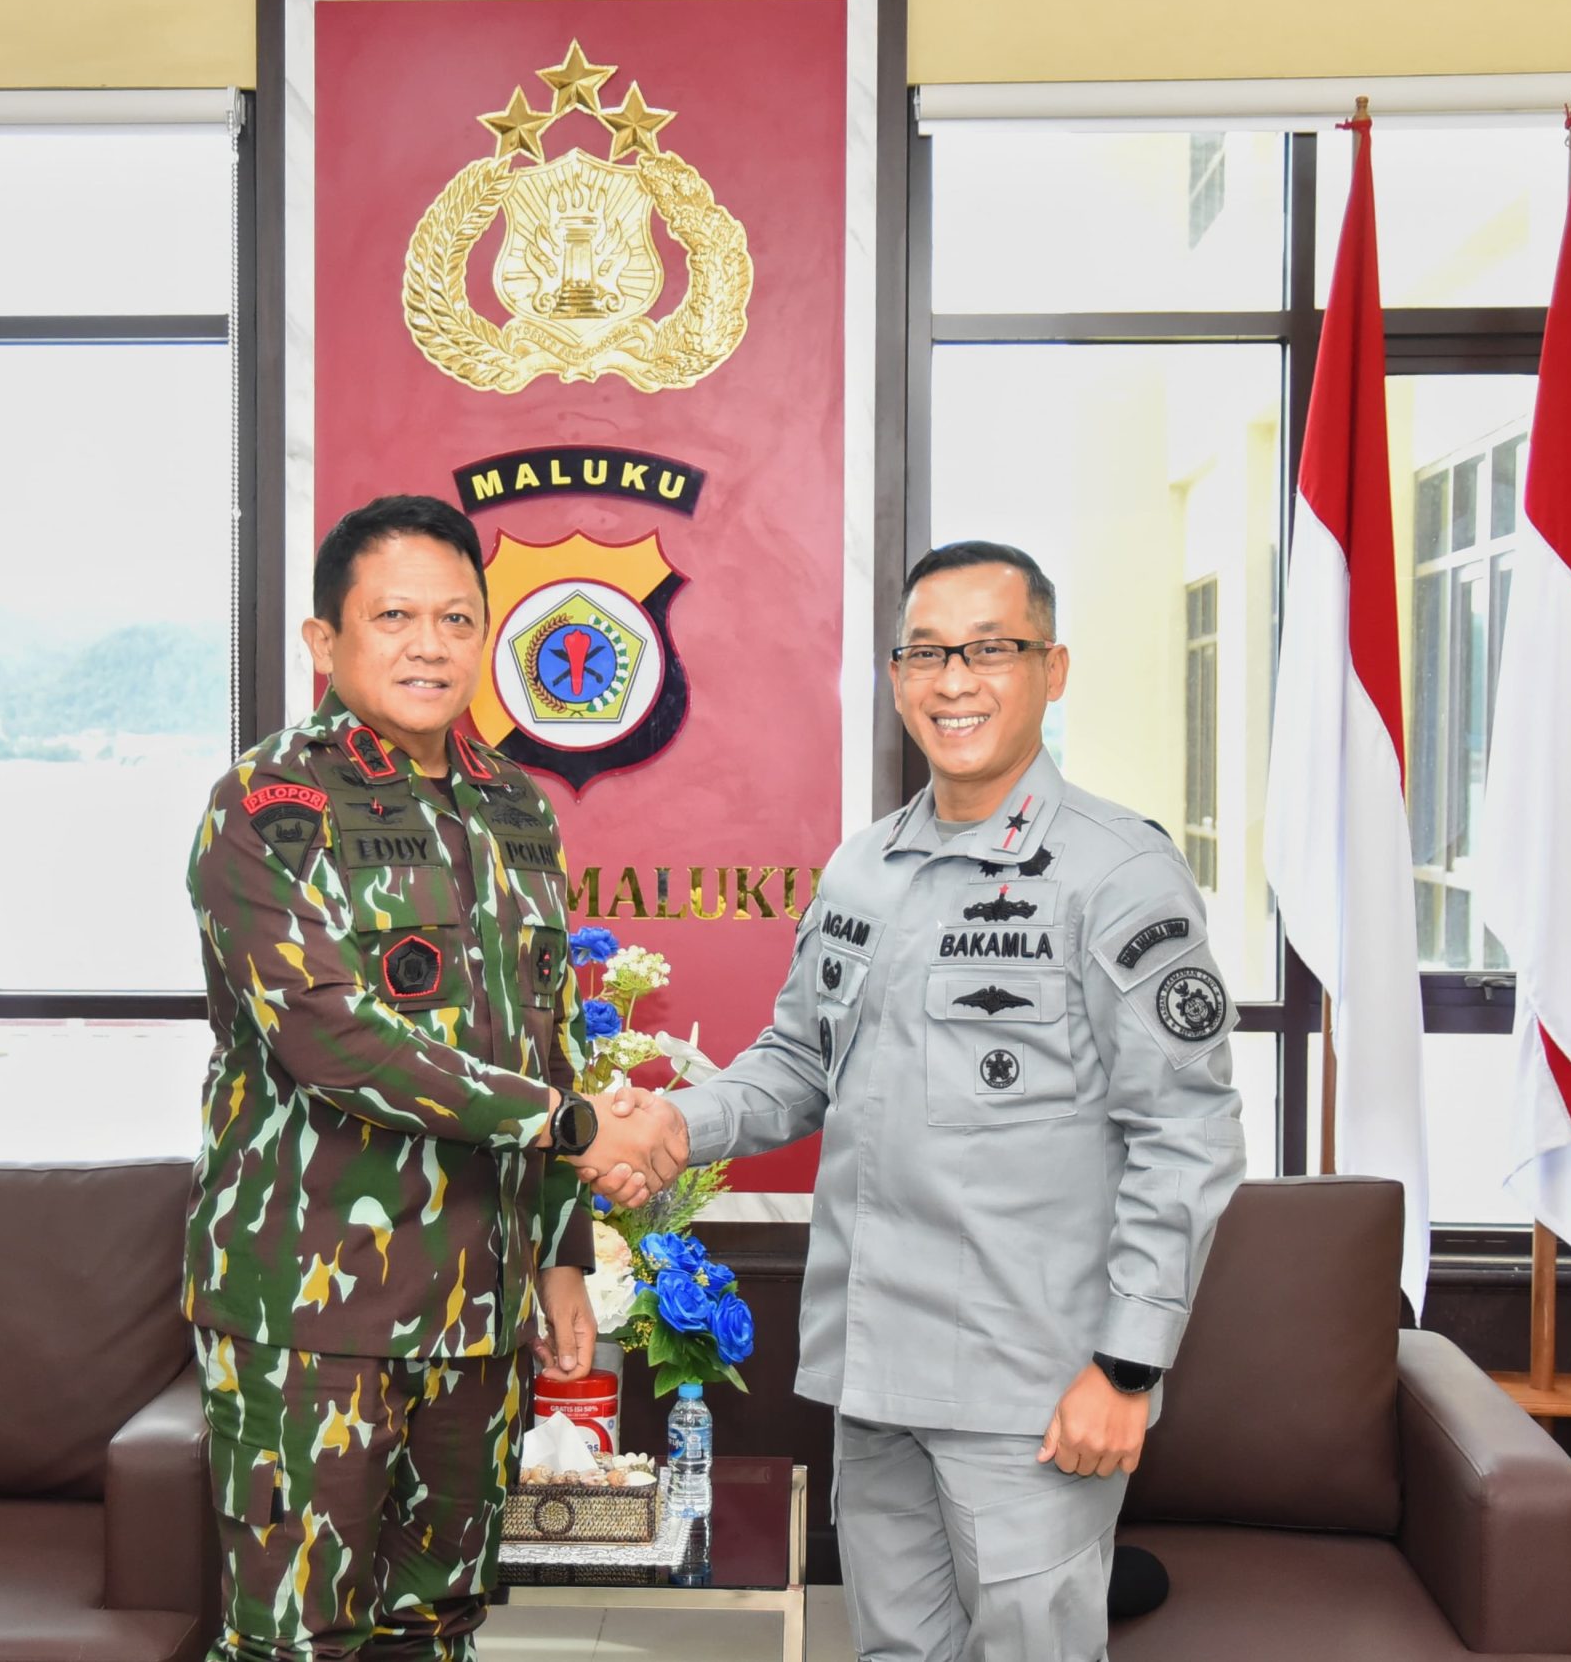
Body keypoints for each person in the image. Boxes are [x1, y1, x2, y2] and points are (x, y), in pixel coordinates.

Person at [585, 541, 1245, 1662]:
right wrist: (673, 1124)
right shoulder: (863, 869)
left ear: (1052, 669)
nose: (955, 681)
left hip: (1030, 1389)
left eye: (991, 649)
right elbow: (798, 1062)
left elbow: (1187, 1133)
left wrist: (1128, 1366)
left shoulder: (1116, 874)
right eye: (927, 654)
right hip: (873, 1372)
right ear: (895, 680)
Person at [184, 494, 607, 1662]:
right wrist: (573, 1122)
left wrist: (562, 1254)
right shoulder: (267, 807)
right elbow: (333, 1041)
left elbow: (547, 1037)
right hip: (312, 1313)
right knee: (296, 1638)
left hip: (481, 1308)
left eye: (456, 618)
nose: (431, 644)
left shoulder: (516, 807)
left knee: (436, 1622)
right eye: (395, 617)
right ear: (324, 639)